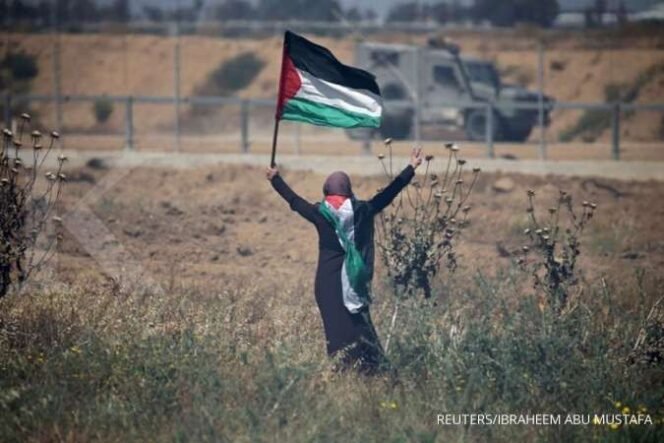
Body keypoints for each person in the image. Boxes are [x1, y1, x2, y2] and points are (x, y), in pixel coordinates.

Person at [266, 147, 423, 374]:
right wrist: (411, 168)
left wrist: (276, 180)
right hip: (354, 279)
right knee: (360, 325)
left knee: (335, 329)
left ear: (326, 191)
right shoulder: (363, 210)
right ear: (349, 191)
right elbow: (389, 194)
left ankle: (343, 371)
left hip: (327, 283)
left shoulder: (320, 213)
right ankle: (372, 371)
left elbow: (294, 201)